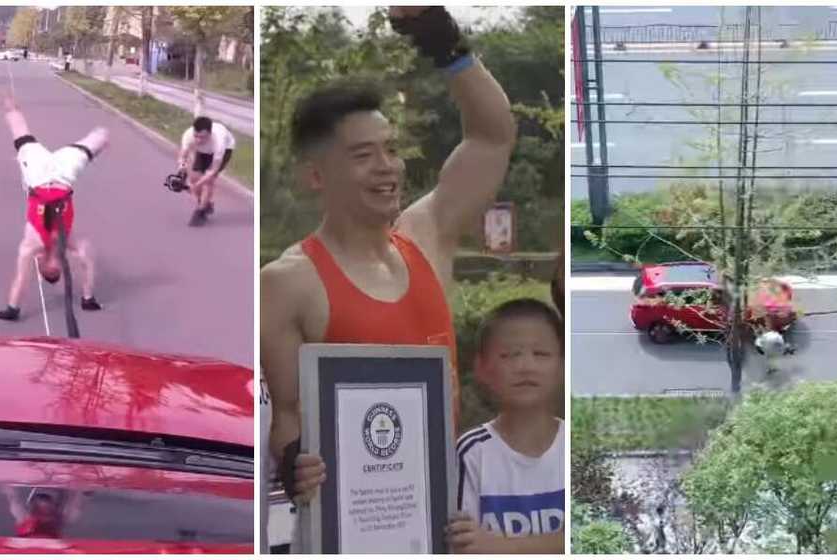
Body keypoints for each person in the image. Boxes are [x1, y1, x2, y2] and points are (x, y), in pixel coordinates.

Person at [261, 5, 515, 513]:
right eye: (363, 156)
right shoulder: (289, 284)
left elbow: (492, 136)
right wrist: (293, 463)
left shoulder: (427, 235)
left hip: (441, 513)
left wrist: (443, 42)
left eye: (390, 150)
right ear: (316, 176)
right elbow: (287, 415)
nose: (387, 168)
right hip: (356, 520)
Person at [447, 298, 564, 553]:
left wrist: (503, 546)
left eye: (541, 354)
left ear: (563, 365)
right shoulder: (471, 453)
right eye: (510, 355)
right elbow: (463, 545)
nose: (526, 366)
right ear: (482, 368)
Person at [0, 96, 107, 321]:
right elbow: (86, 255)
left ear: (41, 264)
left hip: (38, 175)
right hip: (64, 175)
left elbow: (20, 279)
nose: (54, 267)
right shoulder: (70, 242)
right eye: (58, 271)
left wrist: (12, 309)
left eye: (49, 271)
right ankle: (107, 135)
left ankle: (10, 105)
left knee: (20, 133)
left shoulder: (31, 246)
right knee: (100, 137)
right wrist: (88, 297)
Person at [177, 116, 235, 226]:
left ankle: (200, 211)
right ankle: (205, 203)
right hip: (203, 151)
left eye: (202, 137)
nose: (198, 140)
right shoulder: (188, 135)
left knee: (208, 181)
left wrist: (197, 185)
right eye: (196, 136)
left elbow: (212, 171)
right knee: (194, 178)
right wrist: (182, 167)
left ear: (210, 133)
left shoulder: (219, 142)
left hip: (224, 150)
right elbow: (182, 156)